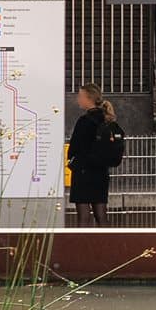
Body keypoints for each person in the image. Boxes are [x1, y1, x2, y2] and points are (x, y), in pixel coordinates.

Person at [66, 83, 118, 226]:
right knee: (101, 213)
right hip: (101, 172)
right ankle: (106, 244)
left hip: (83, 172)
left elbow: (75, 145)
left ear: (87, 98)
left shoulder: (84, 121)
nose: (78, 99)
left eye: (80, 96)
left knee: (83, 215)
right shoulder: (107, 119)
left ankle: (82, 246)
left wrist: (72, 161)